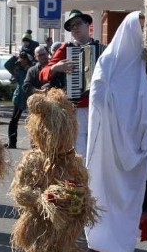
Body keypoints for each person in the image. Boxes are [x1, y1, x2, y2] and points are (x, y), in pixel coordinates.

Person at [85, 11, 147, 252]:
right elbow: (99, 95)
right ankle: (107, 240)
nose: (145, 34)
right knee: (115, 191)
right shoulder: (110, 60)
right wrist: (120, 121)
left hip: (146, 143)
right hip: (117, 141)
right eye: (140, 28)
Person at [39, 9, 102, 159]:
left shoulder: (102, 49)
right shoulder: (66, 49)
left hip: (98, 106)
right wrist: (55, 67)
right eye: (72, 26)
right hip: (77, 107)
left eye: (78, 24)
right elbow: (43, 74)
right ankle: (81, 179)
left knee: (97, 148)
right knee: (80, 150)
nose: (75, 28)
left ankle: (96, 181)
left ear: (88, 25)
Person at [4, 51, 33, 149]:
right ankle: (12, 142)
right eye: (20, 58)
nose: (21, 60)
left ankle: (35, 144)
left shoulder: (31, 69)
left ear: (27, 59)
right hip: (19, 98)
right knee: (14, 121)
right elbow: (7, 65)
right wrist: (14, 58)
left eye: (23, 58)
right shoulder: (18, 69)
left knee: (33, 121)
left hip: (29, 97)